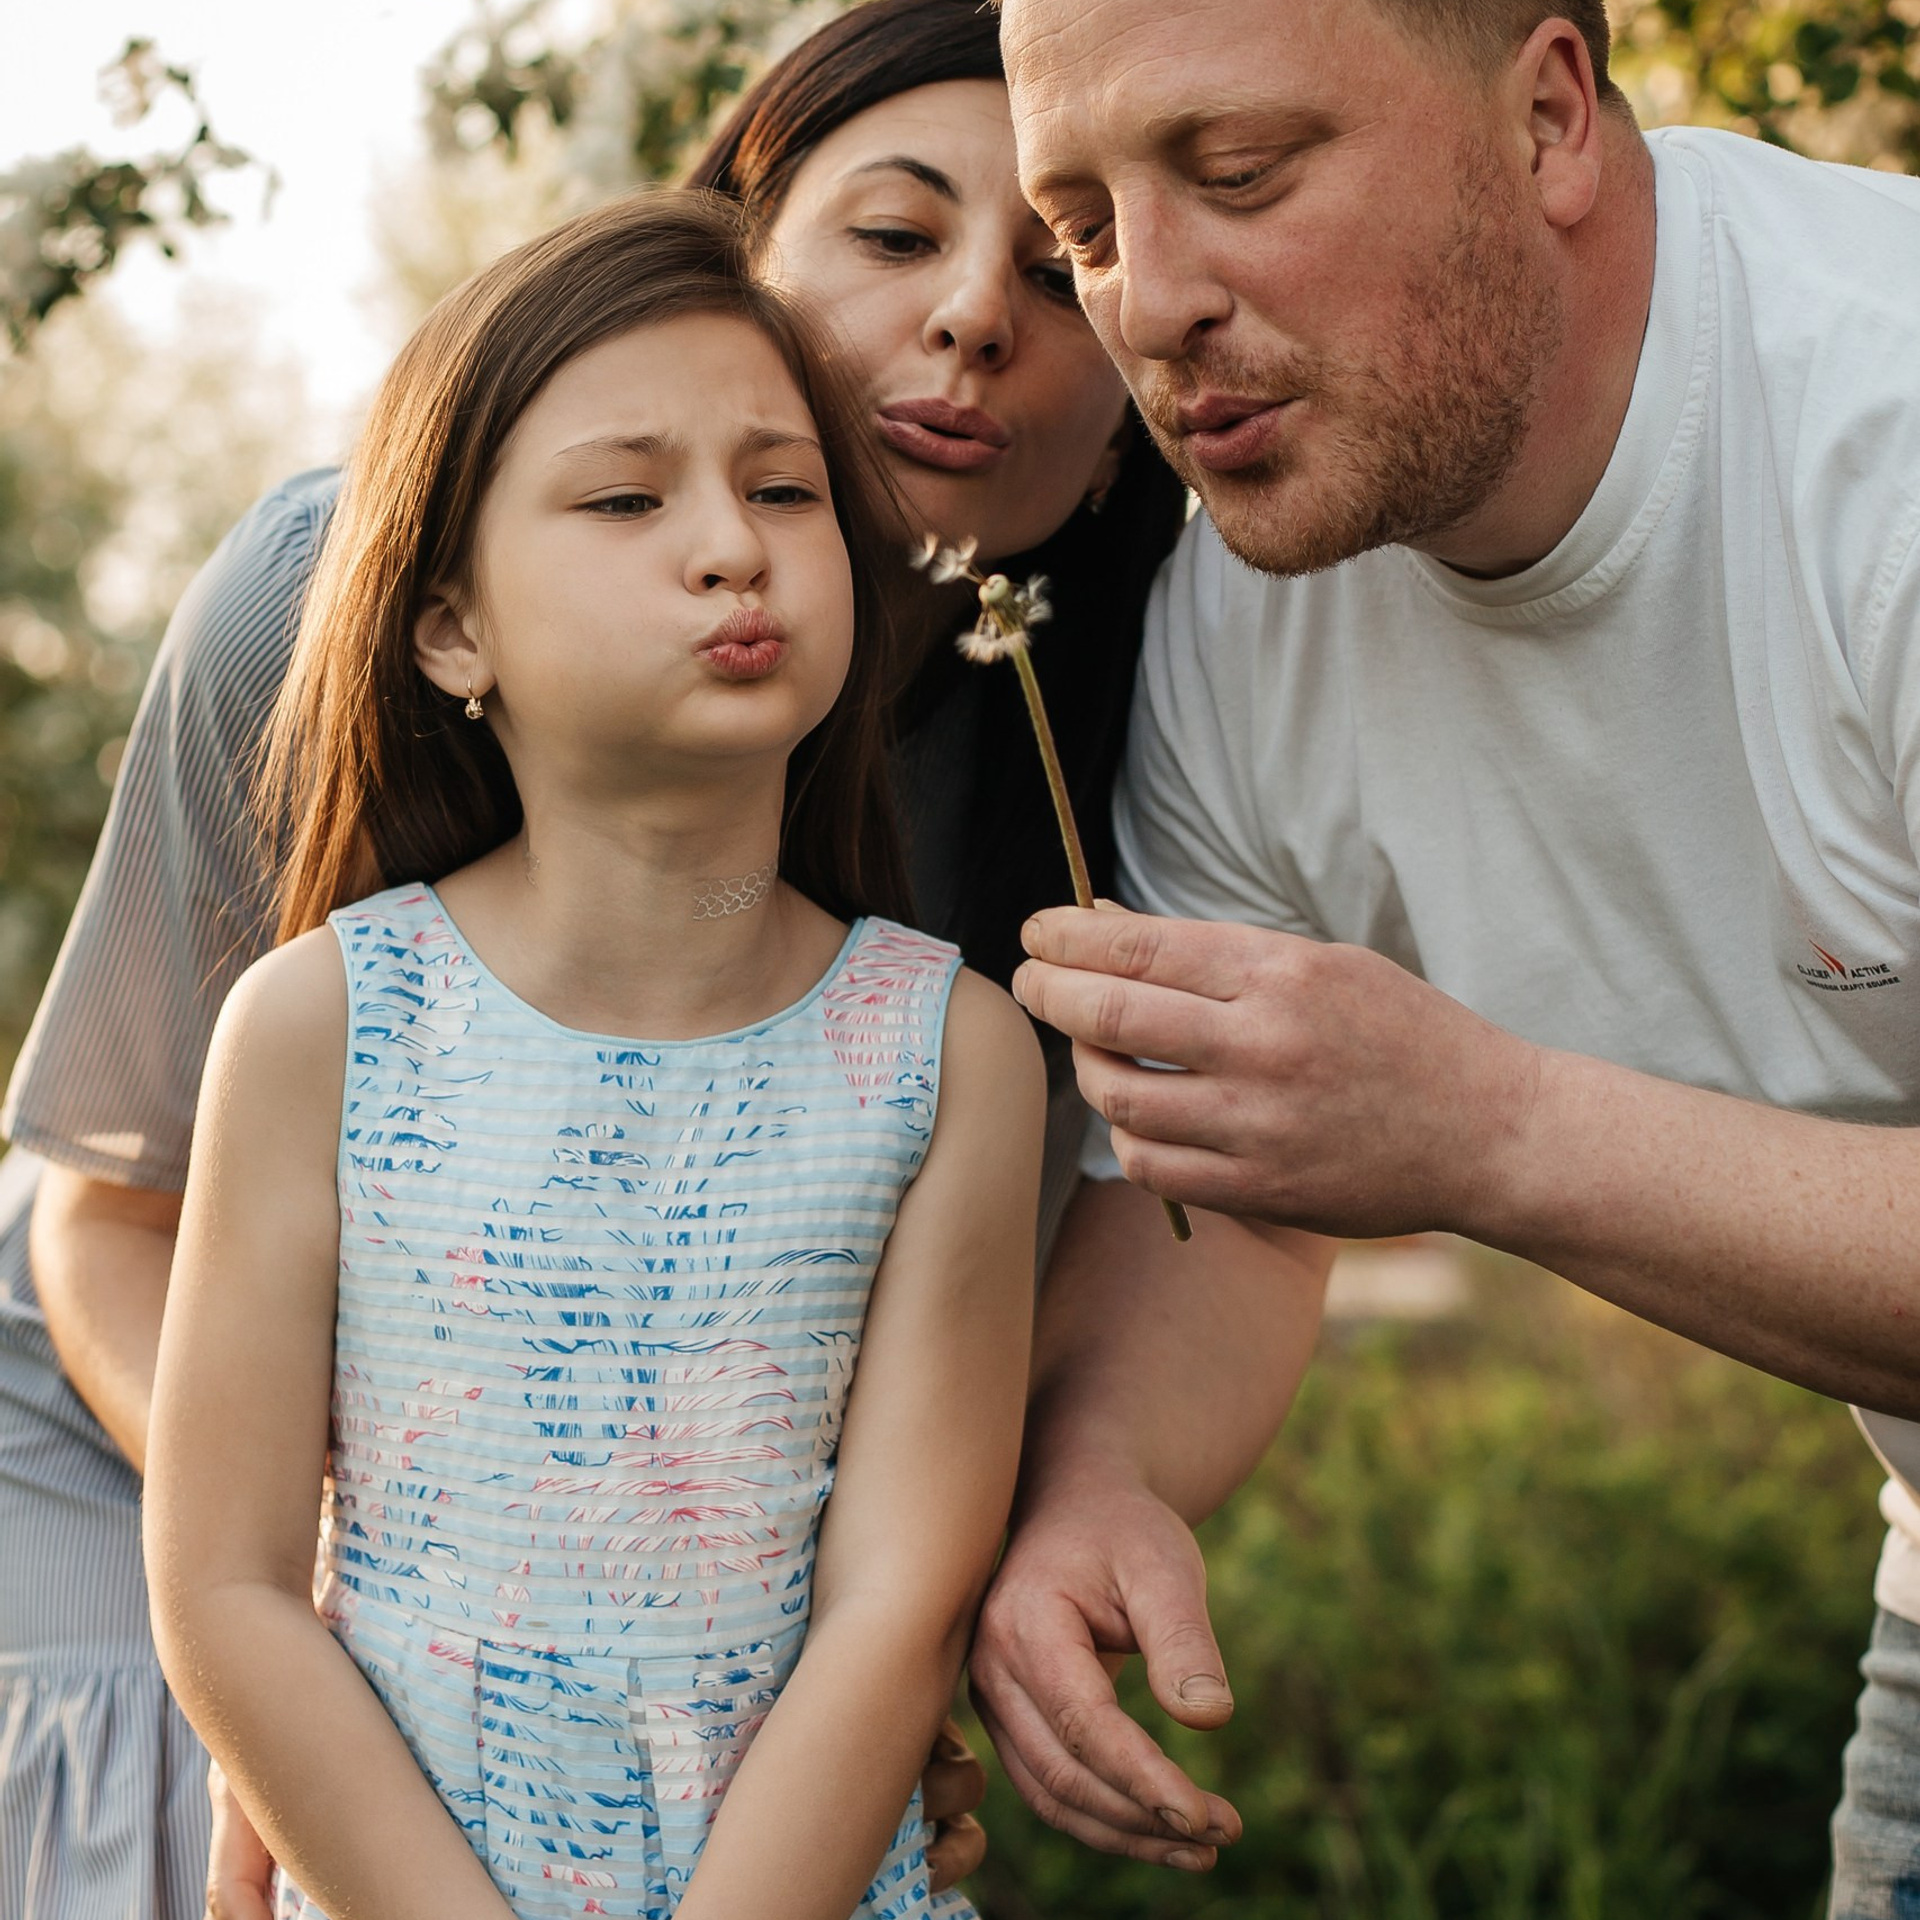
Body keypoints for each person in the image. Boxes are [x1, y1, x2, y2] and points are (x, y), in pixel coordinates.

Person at [0, 2, 1189, 1911]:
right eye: (895, 237)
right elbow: (110, 1224)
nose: (978, 314)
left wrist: (845, 1742)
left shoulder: (1083, 774)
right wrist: (367, 1650)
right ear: (744, 247)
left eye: (1065, 268)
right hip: (155, 1460)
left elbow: (888, 1525)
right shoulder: (327, 627)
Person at [966, 0, 1920, 1903]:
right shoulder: (1254, 603)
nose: (1145, 305)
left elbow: (1444, 1134)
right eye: (1079, 224)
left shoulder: (1878, 435)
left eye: (1238, 176)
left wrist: (1488, 1131)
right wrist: (1101, 1480)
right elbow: (1233, 1205)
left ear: (1552, 117)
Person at [141, 184, 1041, 1920]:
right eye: (629, 498)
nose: (732, 544)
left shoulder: (945, 1053)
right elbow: (226, 1590)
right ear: (450, 627)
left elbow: (895, 1604)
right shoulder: (324, 1027)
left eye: (783, 490)